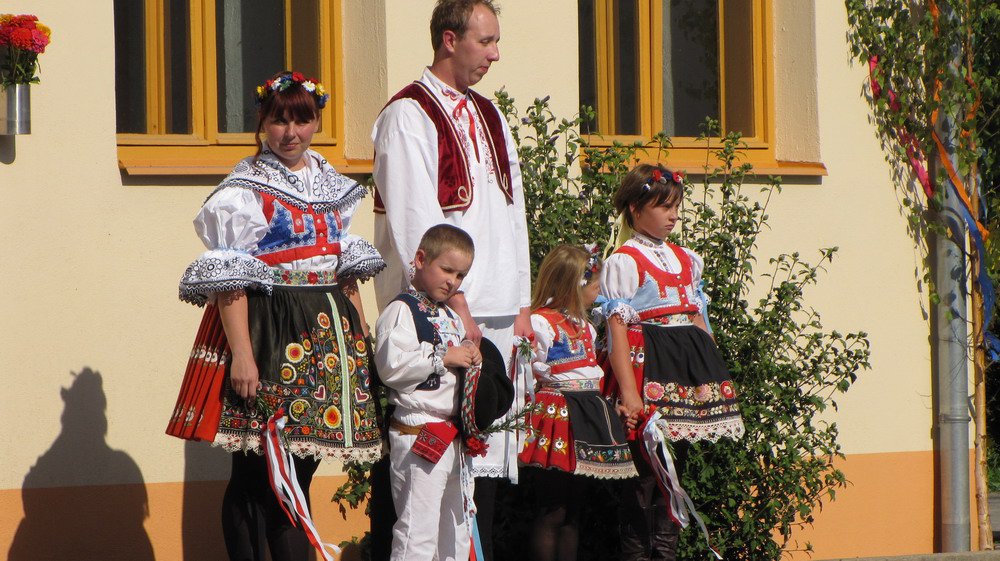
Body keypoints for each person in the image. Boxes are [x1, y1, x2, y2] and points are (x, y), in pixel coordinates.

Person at [166, 71, 385, 561]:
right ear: (263, 123)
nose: (291, 132)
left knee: (298, 469)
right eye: (280, 120)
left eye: (302, 119)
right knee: (251, 471)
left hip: (326, 334)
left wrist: (360, 342)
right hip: (268, 331)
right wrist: (242, 354)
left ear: (316, 121)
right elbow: (231, 282)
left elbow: (345, 275)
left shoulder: (331, 183)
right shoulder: (245, 187)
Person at [370, 1, 531, 557]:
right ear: (448, 39)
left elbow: (515, 215)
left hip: (496, 310)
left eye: (495, 41)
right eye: (484, 42)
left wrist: (523, 302)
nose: (494, 53)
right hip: (443, 315)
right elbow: (419, 226)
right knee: (424, 466)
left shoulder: (490, 113)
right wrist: (457, 305)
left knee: (482, 455)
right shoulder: (407, 115)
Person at [601, 164, 745, 561]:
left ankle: (666, 553)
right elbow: (617, 330)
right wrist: (629, 394)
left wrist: (714, 377)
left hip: (686, 372)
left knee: (673, 471)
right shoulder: (625, 261)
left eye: (676, 206)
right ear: (635, 209)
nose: (673, 215)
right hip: (649, 370)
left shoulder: (687, 259)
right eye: (663, 207)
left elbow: (699, 321)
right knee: (644, 474)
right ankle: (638, 555)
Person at [518, 245, 637, 561]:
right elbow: (527, 373)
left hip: (587, 414)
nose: (599, 292)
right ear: (574, 285)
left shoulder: (586, 325)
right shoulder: (541, 323)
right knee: (553, 509)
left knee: (574, 511)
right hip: (557, 413)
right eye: (595, 285)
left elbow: (592, 373)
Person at [373, 223, 481, 561]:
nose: (453, 281)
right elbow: (391, 366)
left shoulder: (449, 314)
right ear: (420, 259)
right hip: (419, 429)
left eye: (461, 275)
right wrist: (441, 357)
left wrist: (470, 354)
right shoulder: (401, 310)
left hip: (452, 433)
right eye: (446, 269)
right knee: (417, 531)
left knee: (455, 529)